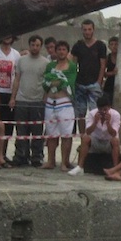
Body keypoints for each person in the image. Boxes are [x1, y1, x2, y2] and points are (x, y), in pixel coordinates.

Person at [9, 35, 50, 166]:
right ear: (29, 45)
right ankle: (20, 156)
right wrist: (13, 98)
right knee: (21, 130)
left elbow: (47, 83)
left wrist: (45, 98)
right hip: (22, 100)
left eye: (38, 45)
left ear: (41, 46)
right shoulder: (21, 61)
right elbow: (17, 79)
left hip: (37, 101)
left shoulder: (46, 63)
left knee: (37, 131)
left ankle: (36, 157)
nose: (35, 48)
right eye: (33, 45)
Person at [42, 38, 79, 170]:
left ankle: (64, 162)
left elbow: (68, 82)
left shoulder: (72, 66)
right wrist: (55, 81)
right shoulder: (50, 66)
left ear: (67, 52)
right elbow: (46, 80)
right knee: (51, 133)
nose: (61, 52)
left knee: (66, 133)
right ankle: (50, 161)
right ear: (55, 51)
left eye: (64, 49)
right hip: (50, 102)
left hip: (65, 102)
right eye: (59, 49)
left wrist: (55, 81)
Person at [74, 94, 121, 175]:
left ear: (109, 107)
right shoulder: (92, 114)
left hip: (108, 142)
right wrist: (95, 122)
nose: (103, 112)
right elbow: (88, 132)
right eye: (100, 109)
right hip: (95, 141)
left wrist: (108, 123)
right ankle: (80, 167)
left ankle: (115, 168)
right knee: (85, 137)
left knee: (115, 140)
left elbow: (114, 134)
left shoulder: (115, 115)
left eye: (105, 109)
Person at [70, 19, 108, 120]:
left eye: (89, 29)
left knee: (95, 113)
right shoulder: (78, 45)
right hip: (80, 83)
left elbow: (103, 65)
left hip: (94, 84)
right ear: (82, 30)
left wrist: (99, 82)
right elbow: (73, 63)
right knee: (80, 113)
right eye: (85, 29)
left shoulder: (100, 45)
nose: (87, 32)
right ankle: (83, 135)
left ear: (93, 30)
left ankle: (94, 135)